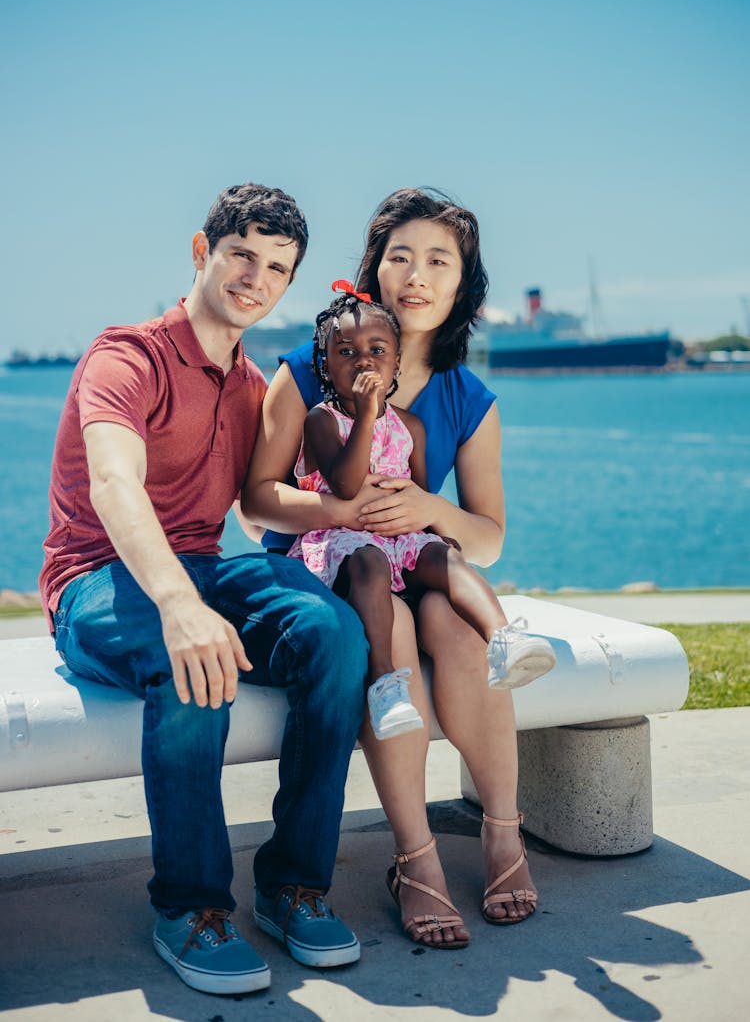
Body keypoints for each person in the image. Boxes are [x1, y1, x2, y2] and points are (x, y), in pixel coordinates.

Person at [39, 183, 369, 996]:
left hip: (202, 565)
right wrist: (184, 610)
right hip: (97, 577)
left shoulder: (253, 385)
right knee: (198, 662)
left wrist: (336, 509)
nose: (256, 278)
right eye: (243, 255)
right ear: (202, 251)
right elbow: (117, 486)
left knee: (335, 634)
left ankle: (293, 884)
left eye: (278, 269)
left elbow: (258, 503)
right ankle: (191, 907)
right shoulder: (127, 356)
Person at [243, 187, 554, 951]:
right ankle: (415, 860)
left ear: (461, 286)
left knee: (456, 625)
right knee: (404, 623)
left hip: (412, 552)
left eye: (438, 261)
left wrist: (427, 506)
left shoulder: (467, 398)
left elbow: (486, 535)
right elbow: (256, 503)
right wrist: (334, 513)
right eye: (401, 257)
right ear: (375, 272)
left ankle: (502, 832)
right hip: (329, 569)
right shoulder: (310, 369)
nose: (416, 274)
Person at [287, 286, 555, 743]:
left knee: (443, 555)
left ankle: (503, 638)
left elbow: (419, 493)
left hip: (395, 538)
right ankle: (385, 684)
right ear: (325, 364)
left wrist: (432, 534)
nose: (362, 361)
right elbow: (347, 485)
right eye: (346, 351)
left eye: (377, 350)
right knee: (369, 564)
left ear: (396, 363)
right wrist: (368, 416)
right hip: (343, 545)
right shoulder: (322, 420)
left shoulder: (411, 426)